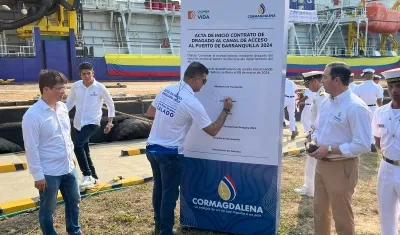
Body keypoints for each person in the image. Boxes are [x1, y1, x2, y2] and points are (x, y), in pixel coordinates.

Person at [145, 62, 233, 235]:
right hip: (170, 153)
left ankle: (158, 226)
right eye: (203, 81)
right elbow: (213, 130)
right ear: (194, 79)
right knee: (169, 196)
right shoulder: (192, 102)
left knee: (159, 189)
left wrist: (170, 118)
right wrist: (226, 110)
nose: (204, 84)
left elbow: (150, 112)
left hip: (152, 149)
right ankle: (165, 232)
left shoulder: (166, 89)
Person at [309, 62, 372, 235]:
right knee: (320, 211)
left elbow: (363, 144)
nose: (321, 80)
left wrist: (329, 149)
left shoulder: (355, 107)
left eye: (324, 77)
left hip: (342, 166)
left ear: (336, 80)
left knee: (342, 216)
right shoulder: (327, 102)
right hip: (322, 164)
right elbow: (319, 128)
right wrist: (314, 140)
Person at [22, 70, 82, 235]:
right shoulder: (32, 116)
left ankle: (74, 231)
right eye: (60, 88)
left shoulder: (62, 108)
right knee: (48, 208)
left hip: (68, 167)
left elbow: (66, 135)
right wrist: (37, 175)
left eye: (65, 87)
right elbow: (31, 148)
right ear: (46, 89)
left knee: (74, 200)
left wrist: (71, 157)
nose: (64, 92)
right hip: (48, 172)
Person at [66, 62, 116, 191]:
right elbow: (70, 102)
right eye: (84, 74)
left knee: (77, 145)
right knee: (85, 150)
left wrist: (110, 122)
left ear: (93, 73)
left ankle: (87, 175)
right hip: (78, 123)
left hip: (92, 122)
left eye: (89, 73)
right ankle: (94, 177)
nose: (87, 76)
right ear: (80, 74)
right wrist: (61, 113)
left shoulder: (100, 88)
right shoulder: (76, 86)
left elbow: (110, 105)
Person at [372, 68, 400, 235]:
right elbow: (377, 139)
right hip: (386, 167)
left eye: (399, 86)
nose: (395, 91)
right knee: (386, 213)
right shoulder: (380, 112)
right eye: (391, 86)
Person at [294, 70, 327, 197]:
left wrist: (312, 134)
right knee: (311, 163)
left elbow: (320, 118)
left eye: (308, 84)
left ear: (315, 81)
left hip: (318, 134)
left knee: (312, 163)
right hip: (315, 132)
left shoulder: (322, 96)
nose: (307, 87)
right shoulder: (319, 94)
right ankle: (309, 187)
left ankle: (310, 189)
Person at [353, 68, 382, 152]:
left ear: (364, 77)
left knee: (364, 125)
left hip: (363, 107)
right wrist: (380, 109)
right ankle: (372, 142)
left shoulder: (359, 87)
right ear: (372, 76)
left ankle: (366, 142)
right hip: (374, 107)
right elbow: (379, 100)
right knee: (374, 125)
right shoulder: (377, 87)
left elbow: (355, 99)